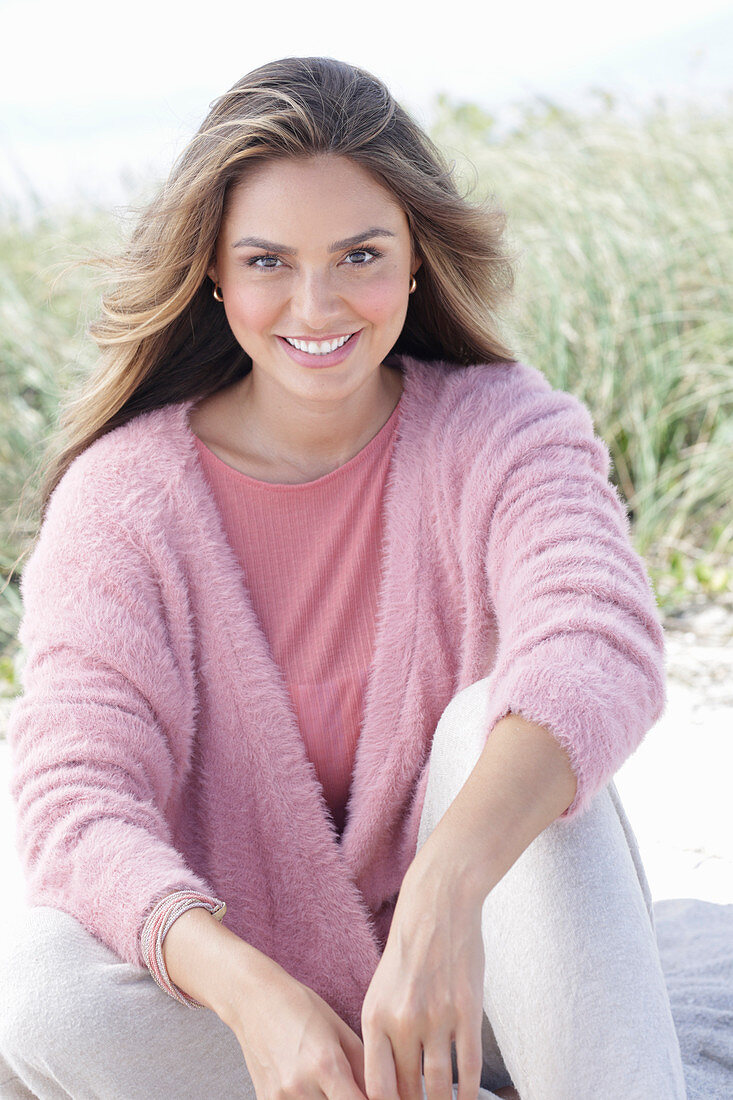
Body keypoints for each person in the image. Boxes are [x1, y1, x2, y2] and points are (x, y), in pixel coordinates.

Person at [0, 56, 686, 1100]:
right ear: (214, 273)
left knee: (492, 725)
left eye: (358, 254)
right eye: (268, 261)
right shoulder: (121, 498)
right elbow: (76, 798)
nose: (315, 304)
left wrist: (443, 891)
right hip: (272, 1043)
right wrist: (251, 994)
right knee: (39, 987)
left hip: (499, 1001)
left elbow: (598, 636)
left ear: (413, 260)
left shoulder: (502, 428)